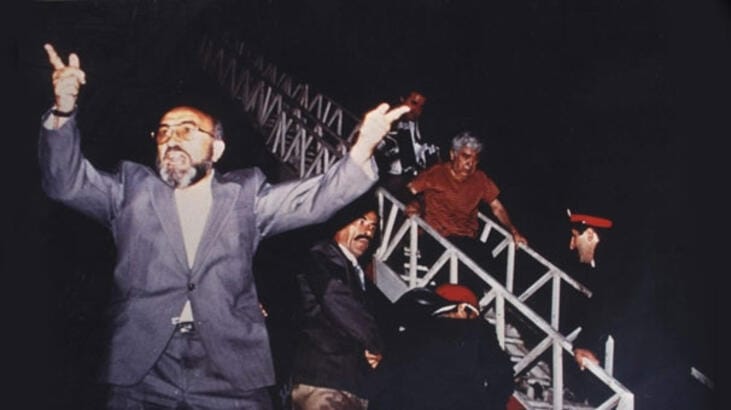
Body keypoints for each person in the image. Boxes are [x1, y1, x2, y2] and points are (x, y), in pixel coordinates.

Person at [39, 43, 408, 409]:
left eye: (187, 130)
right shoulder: (130, 189)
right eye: (164, 132)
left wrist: (362, 149)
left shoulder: (245, 195)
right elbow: (66, 182)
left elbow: (316, 198)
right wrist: (63, 112)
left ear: (216, 150)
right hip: (143, 368)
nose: (172, 139)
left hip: (228, 369)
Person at [289, 202, 384, 410]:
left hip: (347, 384)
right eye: (361, 222)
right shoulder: (324, 254)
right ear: (340, 222)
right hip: (326, 380)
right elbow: (335, 298)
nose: (367, 231)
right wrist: (375, 344)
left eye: (372, 226)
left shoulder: (355, 271)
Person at [404, 131, 527, 286]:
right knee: (457, 271)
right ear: (453, 154)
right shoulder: (437, 173)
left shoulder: (480, 179)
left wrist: (513, 231)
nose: (470, 164)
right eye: (466, 157)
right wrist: (416, 205)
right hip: (436, 237)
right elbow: (408, 191)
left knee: (488, 262)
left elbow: (497, 207)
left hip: (466, 239)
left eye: (475, 160)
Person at [366, 283, 515, 410]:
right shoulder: (476, 329)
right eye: (474, 315)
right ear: (462, 308)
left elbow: (375, 389)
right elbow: (502, 375)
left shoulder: (407, 336)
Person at [375, 90, 439, 200]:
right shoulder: (386, 119)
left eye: (421, 107)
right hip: (381, 180)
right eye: (414, 103)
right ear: (402, 99)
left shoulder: (420, 129)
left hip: (410, 187)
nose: (416, 110)